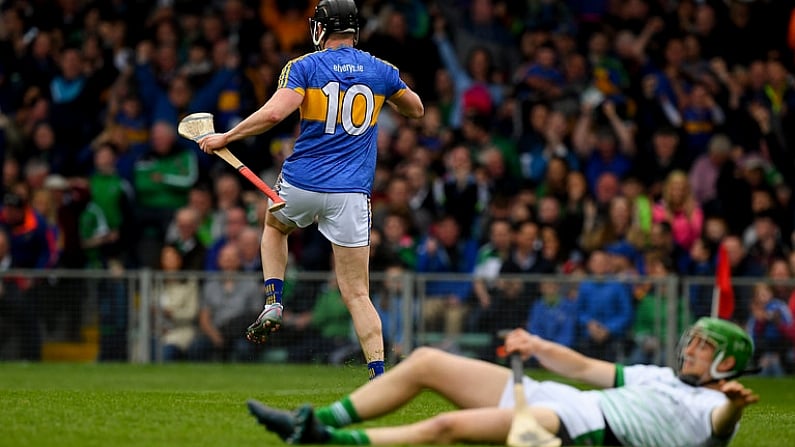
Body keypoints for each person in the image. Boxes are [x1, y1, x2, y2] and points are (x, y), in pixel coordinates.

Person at [197, 0, 424, 380]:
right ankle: (380, 374)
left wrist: (227, 136)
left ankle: (274, 301)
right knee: (357, 293)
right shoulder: (381, 70)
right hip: (352, 193)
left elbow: (272, 114)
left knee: (274, 228)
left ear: (321, 29)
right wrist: (390, 94)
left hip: (303, 182)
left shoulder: (304, 66)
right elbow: (415, 109)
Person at [247, 317, 759, 447]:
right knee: (427, 361)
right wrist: (534, 345)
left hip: (583, 427)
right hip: (567, 400)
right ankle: (319, 418)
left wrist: (733, 404)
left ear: (727, 363)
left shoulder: (710, 413)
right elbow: (584, 369)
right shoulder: (656, 375)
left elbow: (718, 427)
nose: (690, 350)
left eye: (704, 348)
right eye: (691, 341)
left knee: (446, 426)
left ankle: (325, 439)